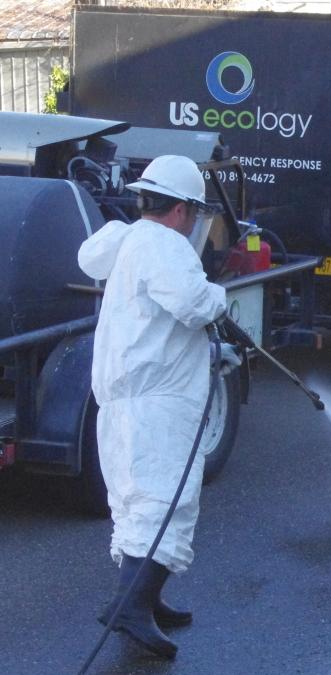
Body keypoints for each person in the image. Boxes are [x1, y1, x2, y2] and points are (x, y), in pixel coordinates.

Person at [78, 155, 239, 659]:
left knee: (138, 501)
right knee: (168, 503)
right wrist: (221, 300)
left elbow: (156, 323)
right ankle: (131, 606)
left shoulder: (131, 240)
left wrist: (214, 351)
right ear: (182, 211)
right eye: (194, 213)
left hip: (127, 401)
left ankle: (147, 599)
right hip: (155, 407)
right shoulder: (164, 245)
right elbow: (193, 303)